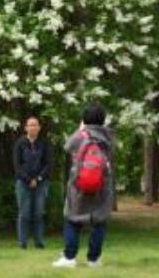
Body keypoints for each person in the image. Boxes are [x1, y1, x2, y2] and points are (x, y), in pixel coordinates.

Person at [53, 104, 115, 269]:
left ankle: (69, 257)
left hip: (79, 185)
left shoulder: (81, 136)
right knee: (99, 221)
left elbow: (67, 146)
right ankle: (93, 259)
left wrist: (80, 129)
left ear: (84, 119)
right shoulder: (108, 137)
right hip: (102, 186)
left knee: (72, 219)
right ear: (102, 120)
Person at [14, 115, 52, 249]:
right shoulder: (20, 144)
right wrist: (28, 180)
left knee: (39, 214)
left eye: (35, 125)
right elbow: (17, 165)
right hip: (23, 183)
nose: (33, 127)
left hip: (41, 184)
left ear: (39, 128)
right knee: (24, 213)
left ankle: (39, 242)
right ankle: (22, 243)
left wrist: (38, 179)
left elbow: (48, 164)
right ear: (26, 128)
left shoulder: (44, 144)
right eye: (30, 125)